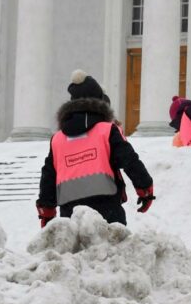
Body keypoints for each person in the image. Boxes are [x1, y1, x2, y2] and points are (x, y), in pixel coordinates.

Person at [36, 69, 155, 227]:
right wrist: (145, 189)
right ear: (100, 103)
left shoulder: (57, 139)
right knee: (112, 250)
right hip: (107, 209)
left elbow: (49, 175)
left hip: (71, 213)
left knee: (75, 251)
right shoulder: (107, 130)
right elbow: (129, 160)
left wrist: (46, 210)